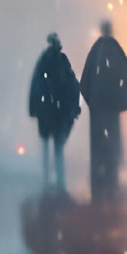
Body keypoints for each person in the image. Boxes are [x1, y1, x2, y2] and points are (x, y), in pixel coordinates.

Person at [79, 20, 127, 202]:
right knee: (111, 146)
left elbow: (84, 82)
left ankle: (98, 187)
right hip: (111, 108)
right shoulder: (115, 51)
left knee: (98, 148)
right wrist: (122, 101)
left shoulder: (96, 51)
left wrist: (93, 101)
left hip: (99, 109)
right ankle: (111, 185)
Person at [28, 32, 81, 191]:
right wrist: (72, 106)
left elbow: (36, 85)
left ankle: (46, 179)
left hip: (46, 111)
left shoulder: (43, 61)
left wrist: (35, 108)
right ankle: (60, 180)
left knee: (46, 145)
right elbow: (71, 84)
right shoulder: (62, 61)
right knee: (58, 147)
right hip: (60, 111)